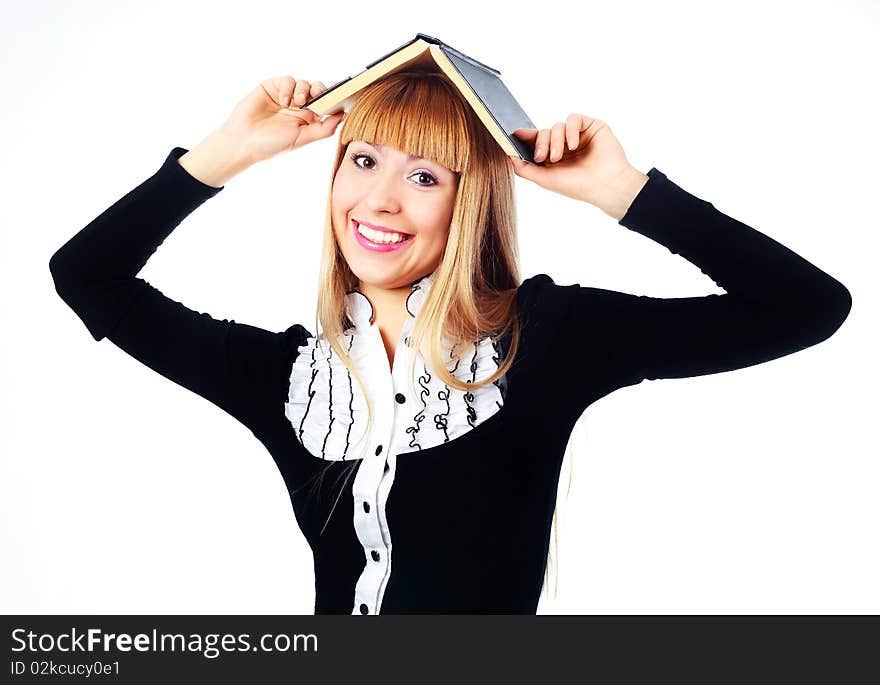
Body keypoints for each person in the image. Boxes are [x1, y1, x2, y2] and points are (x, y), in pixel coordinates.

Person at [49, 71, 852, 615]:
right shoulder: (287, 377)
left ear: (468, 202)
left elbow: (805, 306)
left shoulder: (550, 339)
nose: (380, 200)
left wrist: (622, 191)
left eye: (426, 175)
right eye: (362, 160)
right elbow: (87, 275)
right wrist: (228, 152)